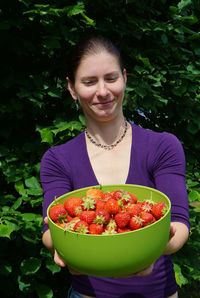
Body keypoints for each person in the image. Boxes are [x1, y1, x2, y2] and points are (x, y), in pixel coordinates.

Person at [41, 36, 190, 298]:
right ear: (72, 89)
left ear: (124, 78)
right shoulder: (58, 159)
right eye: (89, 82)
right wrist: (61, 243)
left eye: (111, 78)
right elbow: (50, 230)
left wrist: (153, 248)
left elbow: (178, 223)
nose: (102, 91)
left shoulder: (163, 146)